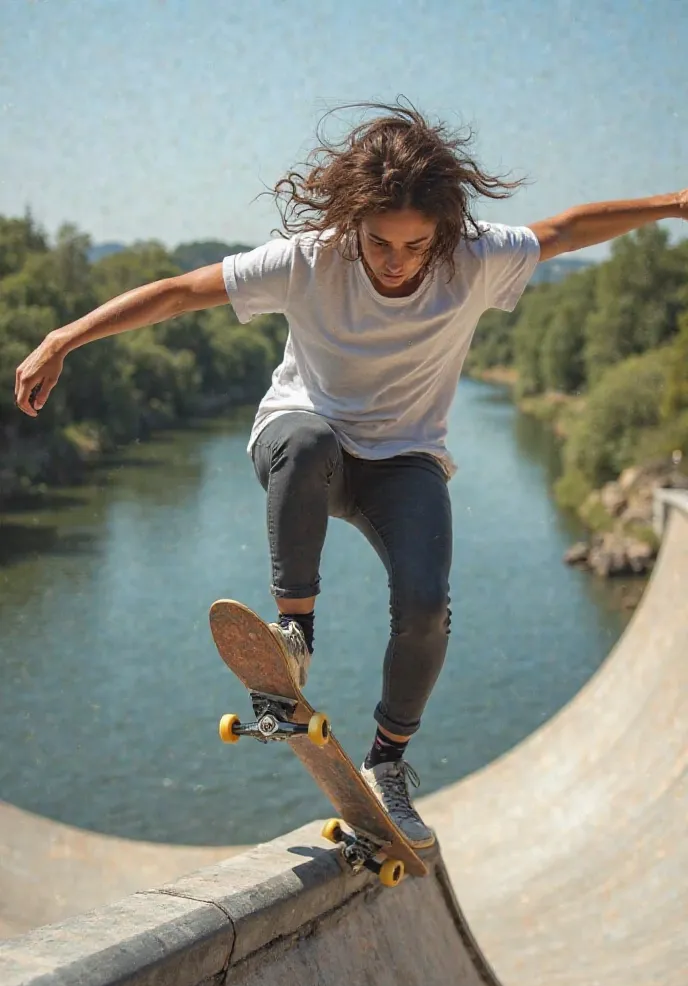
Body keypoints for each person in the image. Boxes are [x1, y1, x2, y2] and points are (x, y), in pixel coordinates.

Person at [14, 101, 687, 847]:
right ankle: (294, 635)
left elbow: (564, 230)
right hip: (308, 446)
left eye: (414, 245)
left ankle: (387, 767)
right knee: (304, 443)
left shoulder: (475, 257)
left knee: (428, 606)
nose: (395, 260)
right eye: (379, 242)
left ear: (441, 234)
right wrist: (65, 337)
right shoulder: (310, 259)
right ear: (354, 222)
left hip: (404, 460)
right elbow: (181, 292)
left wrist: (676, 202)